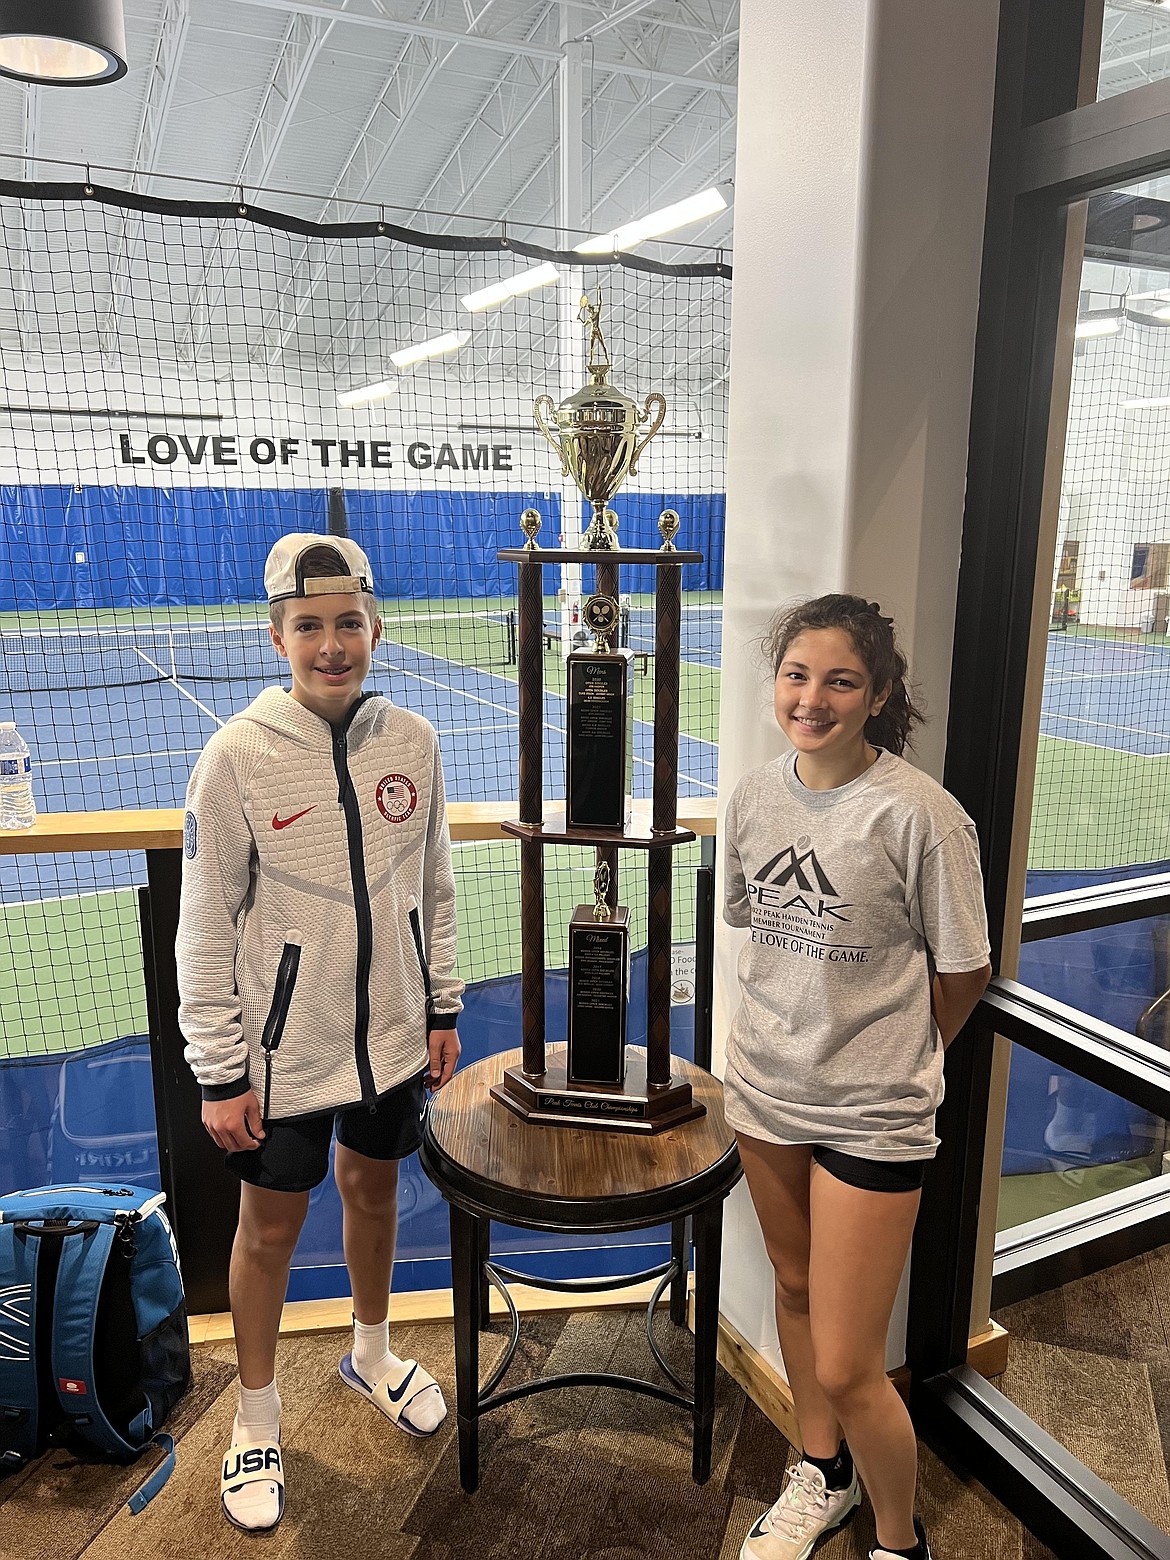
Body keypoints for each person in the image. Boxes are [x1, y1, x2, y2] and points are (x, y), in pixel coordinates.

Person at [176, 533, 463, 1533]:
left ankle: (372, 1353)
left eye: (349, 623)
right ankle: (255, 1418)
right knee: (268, 1233)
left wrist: (440, 1004)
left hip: (390, 1038)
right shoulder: (236, 757)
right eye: (310, 626)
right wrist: (220, 1071)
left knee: (373, 1190)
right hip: (279, 1056)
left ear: (375, 627)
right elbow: (205, 925)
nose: (332, 644)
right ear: (277, 635)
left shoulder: (414, 741)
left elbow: (433, 883)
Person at [724, 595, 991, 1560]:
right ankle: (823, 1473)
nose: (814, 697)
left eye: (841, 680)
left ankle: (895, 1538)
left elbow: (965, 973)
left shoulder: (924, 817)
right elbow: (754, 921)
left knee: (848, 1363)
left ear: (878, 696)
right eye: (798, 674)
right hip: (763, 1094)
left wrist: (896, 1056)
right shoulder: (753, 798)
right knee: (793, 1287)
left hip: (872, 1117)